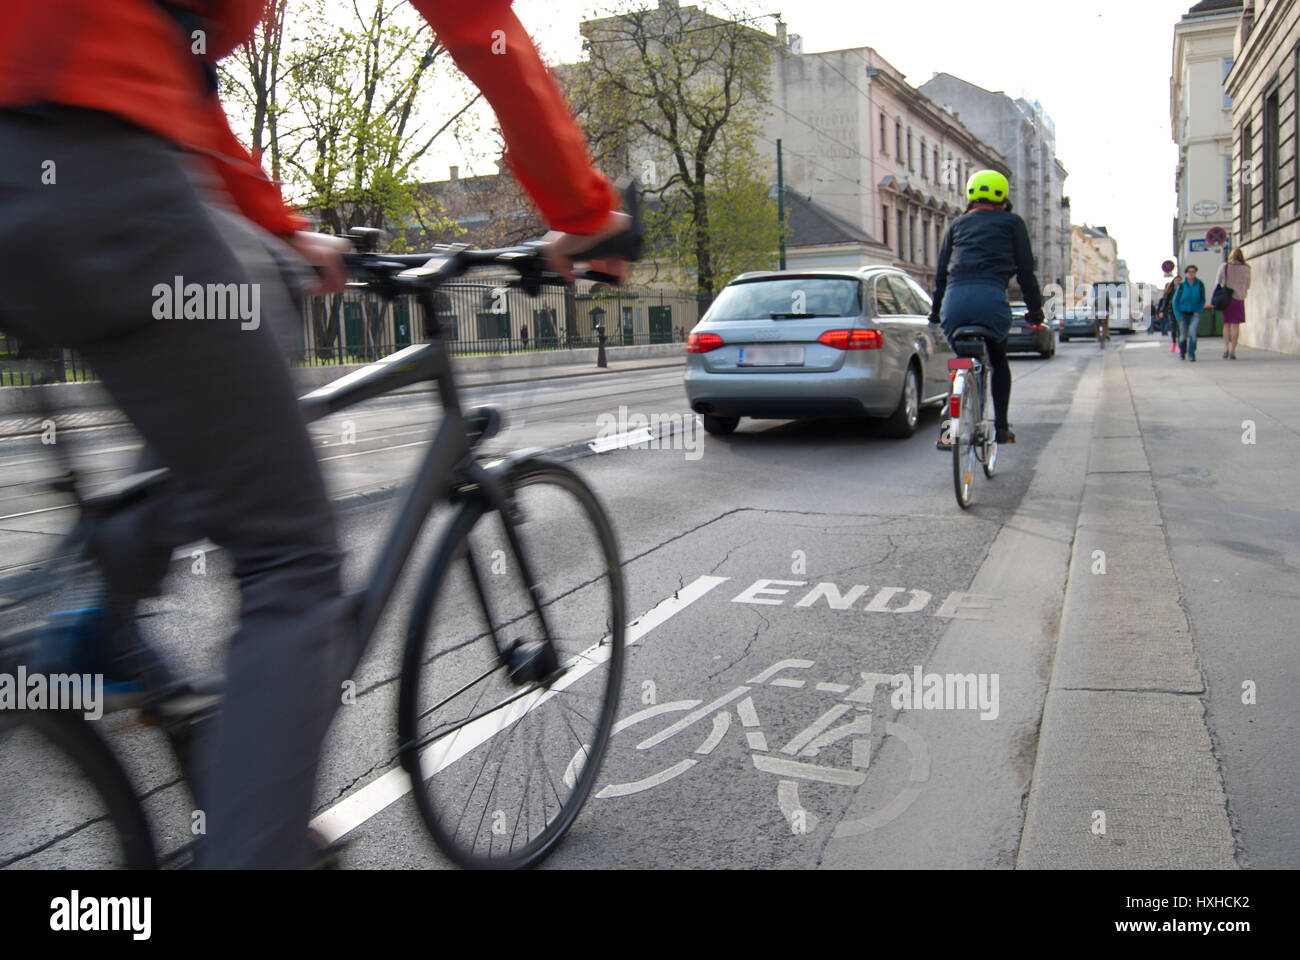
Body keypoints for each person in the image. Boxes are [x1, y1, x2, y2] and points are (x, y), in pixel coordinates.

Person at [0, 0, 629, 869]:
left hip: (50, 161)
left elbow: (171, 66)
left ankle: (103, 623)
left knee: (259, 297)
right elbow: (482, 27)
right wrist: (585, 209)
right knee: (293, 564)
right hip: (92, 163)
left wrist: (284, 228)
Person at [930, 169, 1044, 447]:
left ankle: (948, 429)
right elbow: (1026, 273)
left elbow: (941, 274)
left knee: (959, 364)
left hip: (955, 304)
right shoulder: (1012, 223)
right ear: (1002, 196)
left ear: (970, 196)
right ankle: (1002, 429)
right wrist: (1035, 312)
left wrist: (935, 313)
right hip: (991, 300)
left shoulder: (956, 225)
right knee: (998, 359)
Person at [1215, 249, 1251, 359]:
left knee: (1226, 325)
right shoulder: (1246, 269)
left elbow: (1218, 281)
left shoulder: (1224, 266)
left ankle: (1226, 348)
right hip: (1239, 298)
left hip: (1226, 298)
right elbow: (1248, 285)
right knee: (1236, 325)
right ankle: (1233, 351)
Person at [1171, 264, 1206, 361]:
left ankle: (1191, 354)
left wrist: (1198, 311)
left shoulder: (1200, 285)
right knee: (1183, 336)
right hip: (1183, 314)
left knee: (1193, 333)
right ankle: (1182, 352)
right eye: (1189, 272)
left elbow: (1202, 300)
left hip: (1195, 313)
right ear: (1186, 274)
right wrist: (1178, 314)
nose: (1191, 274)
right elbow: (1175, 301)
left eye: (1193, 272)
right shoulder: (1182, 286)